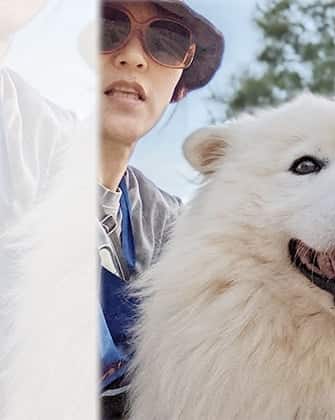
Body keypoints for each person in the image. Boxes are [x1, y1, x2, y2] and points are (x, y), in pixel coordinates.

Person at [97, 1, 223, 418]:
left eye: (165, 41)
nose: (132, 55)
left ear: (179, 84)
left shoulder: (173, 224)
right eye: (107, 25)